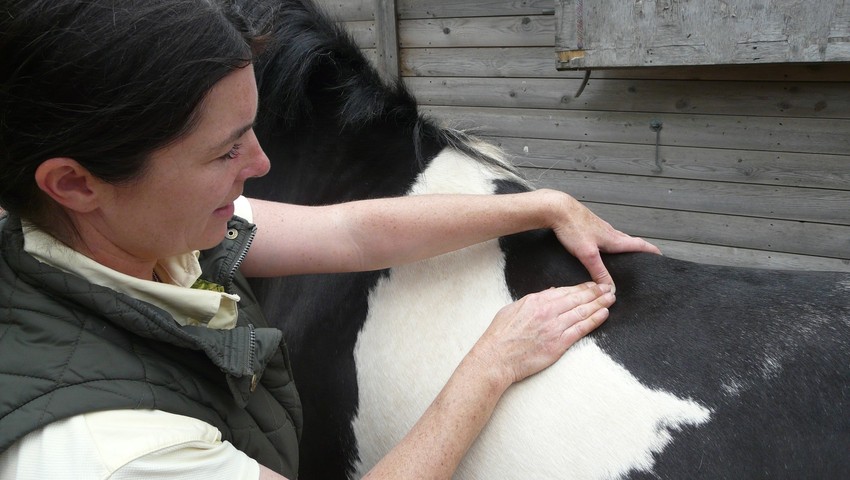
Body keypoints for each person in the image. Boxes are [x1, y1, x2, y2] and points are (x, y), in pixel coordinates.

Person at [0, 1, 660, 478]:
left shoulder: (131, 232)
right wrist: (489, 367)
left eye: (252, 131)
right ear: (74, 183)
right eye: (224, 151)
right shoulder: (120, 453)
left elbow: (349, 232)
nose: (261, 164)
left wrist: (542, 205)